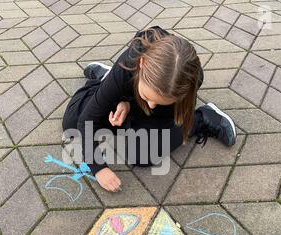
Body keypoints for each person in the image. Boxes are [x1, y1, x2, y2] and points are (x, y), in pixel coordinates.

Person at [62, 25, 236, 193]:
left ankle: (202, 118)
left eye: (158, 100)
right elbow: (86, 120)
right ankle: (108, 80)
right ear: (142, 64)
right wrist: (98, 167)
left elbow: (158, 110)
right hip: (128, 83)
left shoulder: (187, 84)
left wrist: (133, 105)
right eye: (148, 97)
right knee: (72, 122)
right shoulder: (130, 63)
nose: (151, 105)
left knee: (143, 155)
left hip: (161, 108)